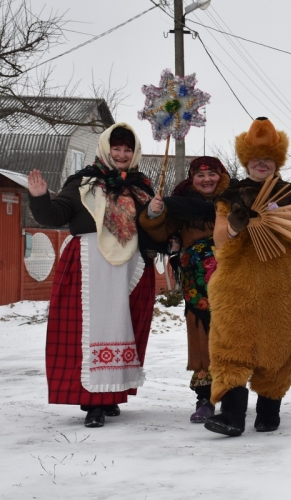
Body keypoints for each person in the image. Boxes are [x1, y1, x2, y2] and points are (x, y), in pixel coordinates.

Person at [27, 123, 162, 428]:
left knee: (122, 327)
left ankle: (111, 393)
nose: (122, 154)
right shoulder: (83, 183)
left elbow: (155, 230)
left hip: (130, 267)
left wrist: (157, 214)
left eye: (128, 149)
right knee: (89, 331)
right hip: (89, 266)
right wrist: (39, 198)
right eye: (116, 148)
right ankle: (93, 403)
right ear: (105, 148)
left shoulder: (143, 188)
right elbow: (54, 216)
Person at [203, 117, 291, 437]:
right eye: (255, 159)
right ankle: (232, 416)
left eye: (267, 159)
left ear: (276, 161)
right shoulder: (230, 196)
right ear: (245, 160)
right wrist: (237, 225)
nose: (261, 164)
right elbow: (221, 240)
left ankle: (269, 412)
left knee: (279, 348)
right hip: (239, 284)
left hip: (284, 284)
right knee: (231, 345)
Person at [138, 156, 232, 422]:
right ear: (192, 179)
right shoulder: (180, 205)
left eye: (212, 174)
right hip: (197, 283)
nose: (206, 180)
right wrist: (154, 212)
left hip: (231, 280)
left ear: (221, 175)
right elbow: (159, 232)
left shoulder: (234, 200)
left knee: (230, 334)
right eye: (200, 175)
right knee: (201, 333)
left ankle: (231, 395)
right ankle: (205, 398)